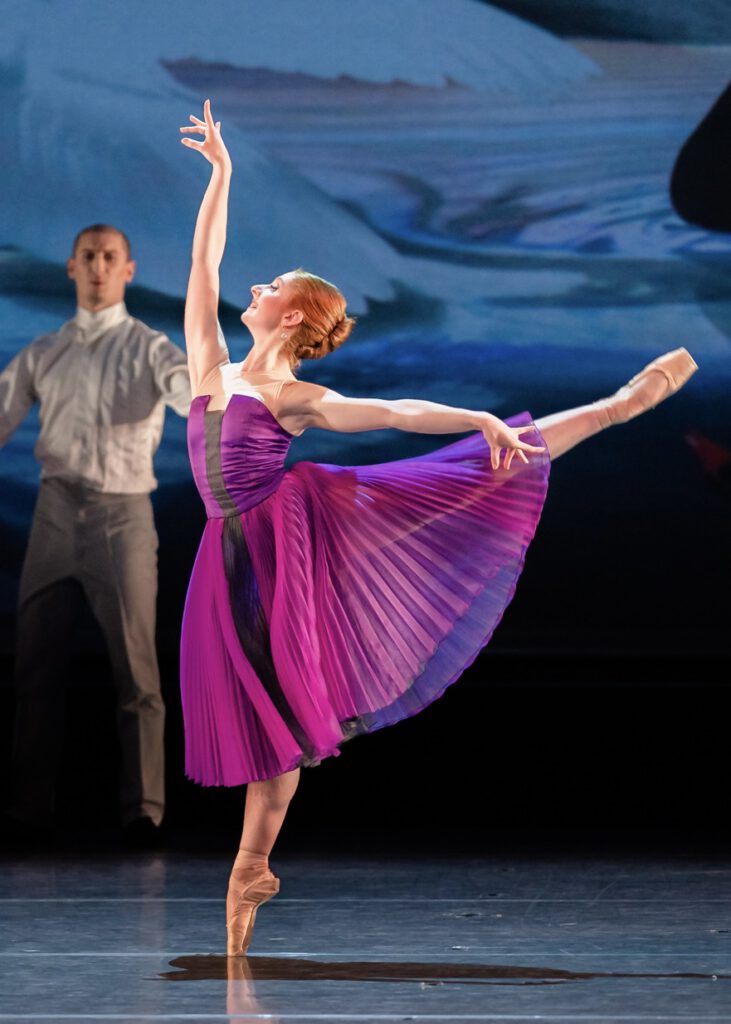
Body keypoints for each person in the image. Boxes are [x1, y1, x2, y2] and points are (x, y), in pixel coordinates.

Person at [179, 100, 698, 955]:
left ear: (298, 317)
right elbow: (202, 260)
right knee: (268, 711)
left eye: (272, 287)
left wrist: (474, 416)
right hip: (226, 551)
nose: (253, 289)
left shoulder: (294, 398)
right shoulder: (210, 367)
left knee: (460, 478)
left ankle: (609, 409)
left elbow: (391, 409)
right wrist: (222, 174)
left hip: (289, 535)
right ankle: (253, 868)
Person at [0, 224, 192, 846]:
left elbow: (191, 395)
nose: (100, 267)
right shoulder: (44, 351)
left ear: (129, 270)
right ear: (71, 267)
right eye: (89, 257)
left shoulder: (151, 348)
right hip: (56, 511)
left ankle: (145, 810)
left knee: (137, 671)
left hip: (124, 514)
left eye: (111, 258)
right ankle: (29, 808)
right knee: (34, 668)